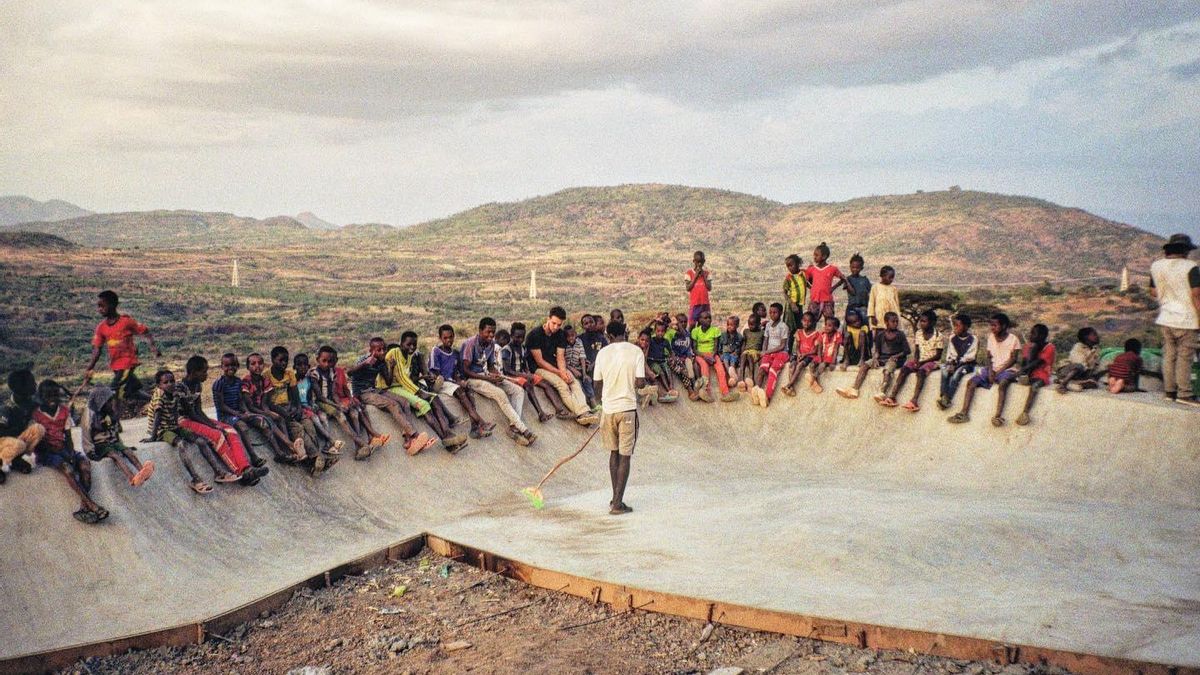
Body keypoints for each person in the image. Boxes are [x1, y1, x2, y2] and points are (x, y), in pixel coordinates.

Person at [180, 355, 270, 485]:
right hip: (183, 420)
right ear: (194, 372)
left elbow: (199, 410)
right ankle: (240, 472)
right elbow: (191, 413)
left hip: (195, 417)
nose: (206, 374)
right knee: (217, 435)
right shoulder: (181, 387)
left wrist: (212, 423)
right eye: (204, 371)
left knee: (230, 430)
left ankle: (246, 467)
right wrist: (212, 426)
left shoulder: (197, 386)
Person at [146, 369, 237, 492]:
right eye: (166, 382)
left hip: (174, 426)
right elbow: (157, 417)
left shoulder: (176, 391)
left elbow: (188, 408)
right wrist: (152, 436)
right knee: (181, 444)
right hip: (161, 430)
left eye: (172, 381)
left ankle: (219, 472)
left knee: (201, 441)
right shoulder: (159, 397)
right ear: (159, 385)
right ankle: (195, 479)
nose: (170, 384)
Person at [32, 380, 108, 523]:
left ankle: (84, 508)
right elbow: (39, 443)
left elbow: (68, 436)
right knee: (68, 469)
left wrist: (71, 454)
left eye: (55, 395)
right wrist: (62, 456)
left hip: (63, 449)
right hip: (47, 453)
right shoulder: (36, 415)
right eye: (48, 396)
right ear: (41, 396)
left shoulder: (64, 411)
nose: (52, 399)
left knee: (85, 466)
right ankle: (92, 505)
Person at [592, 321, 646, 516]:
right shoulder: (636, 351)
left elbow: (596, 384)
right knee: (625, 455)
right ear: (625, 332)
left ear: (608, 335)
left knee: (613, 453)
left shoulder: (602, 353)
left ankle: (616, 498)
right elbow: (640, 383)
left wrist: (601, 403)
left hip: (608, 410)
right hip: (627, 409)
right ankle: (617, 503)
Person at [347, 337, 435, 455]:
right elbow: (349, 372)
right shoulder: (364, 359)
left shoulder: (382, 362)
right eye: (379, 350)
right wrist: (364, 363)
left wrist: (391, 367)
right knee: (392, 404)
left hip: (375, 390)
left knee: (404, 402)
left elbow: (388, 382)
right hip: (363, 393)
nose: (383, 352)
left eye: (384, 349)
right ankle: (415, 435)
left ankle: (408, 439)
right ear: (371, 350)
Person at [384, 333, 468, 453]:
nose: (412, 347)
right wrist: (418, 392)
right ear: (401, 343)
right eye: (408, 344)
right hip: (392, 388)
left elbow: (407, 378)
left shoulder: (408, 355)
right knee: (424, 404)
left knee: (434, 398)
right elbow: (401, 378)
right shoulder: (394, 353)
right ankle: (445, 438)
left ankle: (448, 433)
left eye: (414, 344)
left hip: (404, 386)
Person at [213, 352, 301, 464]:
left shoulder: (238, 382)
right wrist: (242, 413)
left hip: (240, 412)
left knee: (266, 421)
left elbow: (241, 401)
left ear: (237, 366)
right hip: (226, 416)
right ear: (222, 367)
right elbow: (221, 406)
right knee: (244, 426)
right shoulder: (219, 384)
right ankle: (254, 457)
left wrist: (246, 412)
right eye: (227, 365)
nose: (230, 368)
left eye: (233, 365)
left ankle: (281, 452)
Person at [461, 317, 536, 446]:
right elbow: (465, 370)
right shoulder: (470, 344)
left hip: (486, 374)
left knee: (518, 390)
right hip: (473, 379)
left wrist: (497, 374)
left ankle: (513, 427)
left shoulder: (490, 344)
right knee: (500, 394)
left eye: (493, 332)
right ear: (480, 331)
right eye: (488, 332)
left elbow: (490, 365)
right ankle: (524, 429)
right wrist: (488, 378)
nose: (491, 335)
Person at [83, 289, 161, 405]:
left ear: (113, 305)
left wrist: (153, 347)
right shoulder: (101, 328)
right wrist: (89, 368)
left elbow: (144, 331)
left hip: (127, 363)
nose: (99, 309)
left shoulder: (126, 322)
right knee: (132, 391)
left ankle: (114, 420)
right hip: (115, 365)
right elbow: (97, 350)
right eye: (98, 306)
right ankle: (157, 401)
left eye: (102, 306)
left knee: (114, 389)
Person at [1149, 233, 1200, 406]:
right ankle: (1184, 393)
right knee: (1185, 357)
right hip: (1187, 319)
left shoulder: (1157, 266)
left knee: (1169, 355)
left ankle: (1169, 391)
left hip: (1166, 318)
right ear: (1185, 251)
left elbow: (1153, 292)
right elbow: (1196, 295)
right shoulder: (1190, 267)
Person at [311, 346, 387, 459]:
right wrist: (338, 405)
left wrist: (344, 402)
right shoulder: (314, 373)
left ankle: (359, 447)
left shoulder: (333, 372)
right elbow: (320, 397)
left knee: (355, 412)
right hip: (320, 402)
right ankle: (361, 442)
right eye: (324, 361)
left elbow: (333, 393)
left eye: (330, 361)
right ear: (317, 360)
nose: (327, 364)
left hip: (332, 400)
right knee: (340, 415)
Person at [526, 307, 598, 425]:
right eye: (553, 323)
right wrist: (559, 373)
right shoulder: (535, 334)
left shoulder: (560, 334)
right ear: (548, 318)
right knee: (561, 385)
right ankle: (580, 414)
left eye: (559, 325)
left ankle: (585, 411)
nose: (555, 327)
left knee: (573, 381)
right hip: (538, 368)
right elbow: (540, 361)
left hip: (555, 364)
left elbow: (560, 356)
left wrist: (563, 372)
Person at [947, 313, 1022, 426]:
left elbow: (1013, 359)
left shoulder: (1013, 339)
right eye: (991, 325)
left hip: (1007, 369)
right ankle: (964, 413)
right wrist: (991, 371)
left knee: (1003, 385)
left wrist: (999, 371)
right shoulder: (991, 337)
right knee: (971, 382)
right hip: (992, 368)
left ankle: (998, 416)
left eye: (995, 325)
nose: (992, 328)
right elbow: (989, 356)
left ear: (1004, 326)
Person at [81, 384, 154, 487]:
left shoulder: (109, 412)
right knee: (115, 456)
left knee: (128, 452)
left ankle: (143, 472)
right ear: (100, 402)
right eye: (109, 401)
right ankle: (132, 478)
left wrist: (122, 445)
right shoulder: (90, 415)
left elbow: (114, 429)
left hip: (112, 441)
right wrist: (90, 452)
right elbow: (86, 434)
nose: (111, 403)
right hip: (100, 444)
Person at [266, 346, 328, 468]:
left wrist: (298, 409)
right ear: (273, 360)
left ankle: (315, 457)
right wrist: (284, 413)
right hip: (277, 409)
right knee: (298, 428)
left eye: (286, 360)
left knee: (309, 425)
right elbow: (268, 402)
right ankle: (315, 457)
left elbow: (295, 396)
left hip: (290, 406)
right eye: (280, 360)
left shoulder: (289, 374)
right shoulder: (267, 376)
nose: (284, 363)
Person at [430, 325, 495, 440]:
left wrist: (460, 381)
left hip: (451, 382)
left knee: (468, 390)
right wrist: (455, 383)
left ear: (454, 336)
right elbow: (435, 372)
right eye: (445, 338)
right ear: (440, 338)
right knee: (460, 391)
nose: (448, 340)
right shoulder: (436, 351)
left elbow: (455, 372)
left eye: (450, 337)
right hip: (440, 382)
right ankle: (481, 422)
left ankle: (474, 428)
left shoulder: (455, 353)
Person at [503, 322, 568, 422]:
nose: (520, 340)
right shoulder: (506, 350)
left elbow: (524, 364)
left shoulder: (523, 348)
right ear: (511, 336)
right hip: (511, 376)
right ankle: (541, 413)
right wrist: (525, 375)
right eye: (517, 337)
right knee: (528, 385)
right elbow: (507, 370)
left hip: (522, 374)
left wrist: (529, 373)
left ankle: (559, 410)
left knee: (546, 384)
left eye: (522, 337)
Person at [836, 311, 910, 400]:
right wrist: (875, 358)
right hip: (882, 358)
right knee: (865, 365)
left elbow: (907, 351)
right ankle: (855, 389)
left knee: (887, 370)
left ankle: (882, 391)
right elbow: (877, 351)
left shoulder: (900, 334)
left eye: (896, 321)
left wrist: (896, 356)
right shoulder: (880, 335)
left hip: (895, 360)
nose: (895, 324)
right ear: (886, 323)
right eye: (893, 321)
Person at [884, 309, 943, 411]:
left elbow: (938, 356)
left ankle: (914, 401)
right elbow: (917, 350)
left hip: (932, 362)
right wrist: (916, 361)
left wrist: (921, 363)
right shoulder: (919, 333)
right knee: (905, 368)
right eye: (921, 321)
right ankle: (892, 396)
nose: (921, 323)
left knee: (921, 372)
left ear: (932, 323)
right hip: (920, 360)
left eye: (924, 321)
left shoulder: (938, 336)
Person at [295, 352, 344, 458]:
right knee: (315, 418)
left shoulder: (308, 380)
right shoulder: (293, 381)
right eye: (299, 365)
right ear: (295, 367)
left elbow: (308, 398)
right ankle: (331, 440)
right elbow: (295, 400)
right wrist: (307, 407)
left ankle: (327, 446)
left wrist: (312, 405)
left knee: (323, 416)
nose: (302, 367)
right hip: (299, 407)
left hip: (307, 406)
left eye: (305, 365)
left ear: (308, 367)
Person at [0, 369, 41, 484]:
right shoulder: (7, 408)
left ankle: (17, 459)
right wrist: (19, 430)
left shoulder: (31, 403)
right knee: (19, 444)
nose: (35, 385)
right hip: (5, 441)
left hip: (17, 441)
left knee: (38, 429)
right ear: (22, 389)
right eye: (32, 383)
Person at [691, 309, 738, 402]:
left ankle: (726, 393)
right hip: (701, 355)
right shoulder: (695, 331)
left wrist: (712, 356)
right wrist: (705, 357)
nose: (708, 319)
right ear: (700, 320)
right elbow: (694, 349)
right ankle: (706, 392)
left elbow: (716, 347)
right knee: (704, 368)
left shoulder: (715, 330)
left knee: (721, 369)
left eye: (709, 318)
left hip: (712, 354)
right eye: (705, 318)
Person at [1013, 323, 1055, 426]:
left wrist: (1022, 371)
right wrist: (1032, 349)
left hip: (1041, 374)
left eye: (1033, 333)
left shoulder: (1049, 347)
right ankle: (1024, 378)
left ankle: (1025, 413)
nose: (1030, 335)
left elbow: (1038, 363)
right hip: (1029, 373)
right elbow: (1025, 362)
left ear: (1042, 336)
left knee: (1034, 387)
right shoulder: (1028, 346)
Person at [751, 302, 791, 407]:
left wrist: (766, 352)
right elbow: (765, 341)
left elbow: (782, 346)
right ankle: (756, 390)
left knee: (773, 371)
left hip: (781, 353)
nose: (772, 314)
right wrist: (763, 353)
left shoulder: (784, 327)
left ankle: (767, 396)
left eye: (775, 312)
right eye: (771, 312)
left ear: (781, 313)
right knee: (762, 369)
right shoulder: (768, 325)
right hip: (769, 353)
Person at [937, 314, 978, 410]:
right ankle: (943, 396)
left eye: (958, 325)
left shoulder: (973, 339)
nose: (955, 328)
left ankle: (948, 398)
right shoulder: (953, 338)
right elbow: (951, 354)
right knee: (944, 371)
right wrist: (951, 363)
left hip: (967, 365)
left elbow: (970, 357)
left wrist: (956, 365)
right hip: (955, 363)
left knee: (957, 374)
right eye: (954, 325)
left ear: (966, 327)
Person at [781, 311, 820, 396]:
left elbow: (815, 350)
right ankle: (791, 389)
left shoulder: (816, 334)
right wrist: (798, 354)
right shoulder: (799, 332)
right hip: (800, 354)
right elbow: (797, 346)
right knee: (792, 365)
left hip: (809, 355)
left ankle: (789, 385)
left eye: (809, 321)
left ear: (813, 323)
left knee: (800, 365)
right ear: (801, 321)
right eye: (804, 320)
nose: (806, 323)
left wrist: (805, 355)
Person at [805, 242, 848, 319]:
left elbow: (843, 278)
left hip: (827, 300)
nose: (814, 257)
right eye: (814, 255)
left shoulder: (832, 269)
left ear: (824, 256)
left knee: (830, 321)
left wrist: (833, 288)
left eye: (817, 255)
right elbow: (804, 281)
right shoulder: (811, 269)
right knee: (811, 321)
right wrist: (811, 288)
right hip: (814, 300)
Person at [1055, 328, 1101, 394]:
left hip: (1081, 374)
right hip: (1068, 371)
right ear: (1086, 337)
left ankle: (1073, 383)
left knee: (1094, 383)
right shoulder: (1078, 347)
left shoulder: (1095, 349)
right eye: (1094, 334)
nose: (1097, 336)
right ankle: (1063, 384)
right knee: (1079, 366)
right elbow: (1080, 363)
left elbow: (1095, 366)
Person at [564, 325, 597, 408]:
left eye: (573, 335)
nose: (571, 338)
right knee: (579, 385)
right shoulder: (563, 345)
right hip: (569, 370)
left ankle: (594, 405)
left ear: (575, 334)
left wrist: (584, 374)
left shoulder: (579, 342)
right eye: (568, 336)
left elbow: (582, 358)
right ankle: (585, 405)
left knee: (587, 382)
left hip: (579, 369)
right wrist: (573, 370)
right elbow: (563, 361)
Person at [667, 316, 698, 398]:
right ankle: (689, 389)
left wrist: (689, 356)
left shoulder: (687, 334)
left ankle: (696, 383)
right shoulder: (673, 334)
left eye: (685, 322)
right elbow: (672, 350)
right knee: (681, 369)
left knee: (694, 362)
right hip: (677, 358)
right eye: (681, 322)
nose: (683, 324)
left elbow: (688, 348)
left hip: (686, 357)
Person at [809, 315, 842, 393]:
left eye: (829, 326)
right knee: (812, 364)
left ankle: (814, 376)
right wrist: (819, 358)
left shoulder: (838, 335)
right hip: (822, 355)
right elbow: (819, 348)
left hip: (830, 357)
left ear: (836, 328)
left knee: (822, 365)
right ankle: (815, 382)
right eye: (826, 324)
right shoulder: (822, 334)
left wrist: (833, 362)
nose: (826, 327)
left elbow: (836, 350)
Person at [646, 320, 675, 397]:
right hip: (652, 362)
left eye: (662, 331)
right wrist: (653, 321)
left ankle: (672, 387)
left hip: (662, 360)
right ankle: (668, 389)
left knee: (668, 370)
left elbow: (671, 351)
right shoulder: (651, 340)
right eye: (658, 331)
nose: (660, 333)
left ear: (665, 332)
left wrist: (672, 358)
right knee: (661, 372)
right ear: (655, 331)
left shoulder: (665, 341)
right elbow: (646, 330)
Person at [866, 266, 900, 332]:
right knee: (880, 334)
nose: (891, 279)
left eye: (893, 277)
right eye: (890, 277)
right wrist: (872, 316)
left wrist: (897, 316)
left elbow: (897, 304)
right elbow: (871, 302)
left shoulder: (894, 289)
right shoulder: (875, 287)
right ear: (882, 276)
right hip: (879, 318)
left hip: (892, 317)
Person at [782, 254, 807, 340]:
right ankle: (787, 349)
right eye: (787, 266)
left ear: (798, 264)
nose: (789, 268)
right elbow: (785, 293)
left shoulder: (803, 274)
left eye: (791, 265)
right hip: (791, 306)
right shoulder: (789, 278)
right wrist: (792, 304)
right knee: (790, 328)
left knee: (800, 327)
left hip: (799, 305)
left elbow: (806, 284)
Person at [738, 312, 764, 391]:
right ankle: (741, 380)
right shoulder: (746, 331)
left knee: (749, 356)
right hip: (746, 351)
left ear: (759, 324)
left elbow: (763, 345)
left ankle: (751, 378)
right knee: (744, 356)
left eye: (752, 324)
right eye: (749, 324)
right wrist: (742, 352)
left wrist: (761, 354)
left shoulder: (762, 333)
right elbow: (744, 343)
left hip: (755, 352)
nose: (750, 326)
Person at [685, 251, 712, 328]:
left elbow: (709, 288)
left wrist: (703, 276)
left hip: (705, 303)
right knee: (692, 324)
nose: (699, 264)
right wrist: (695, 276)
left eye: (701, 262)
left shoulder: (707, 273)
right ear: (694, 261)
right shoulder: (689, 273)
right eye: (697, 262)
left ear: (704, 261)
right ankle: (691, 339)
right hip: (695, 304)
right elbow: (688, 288)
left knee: (704, 324)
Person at [843, 253, 871, 322]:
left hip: (864, 308)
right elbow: (852, 292)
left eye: (857, 268)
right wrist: (846, 281)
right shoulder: (848, 279)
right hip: (852, 308)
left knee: (864, 326)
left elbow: (870, 293)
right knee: (851, 326)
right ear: (850, 267)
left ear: (861, 268)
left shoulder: (865, 280)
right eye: (853, 267)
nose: (855, 269)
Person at [716, 315, 743, 384]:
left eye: (731, 325)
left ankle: (732, 374)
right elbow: (720, 346)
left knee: (733, 360)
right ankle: (731, 374)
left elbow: (739, 347)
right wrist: (720, 354)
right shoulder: (723, 335)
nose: (729, 326)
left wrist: (736, 352)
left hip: (733, 354)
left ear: (737, 326)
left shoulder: (739, 337)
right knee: (725, 359)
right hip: (725, 354)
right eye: (728, 325)